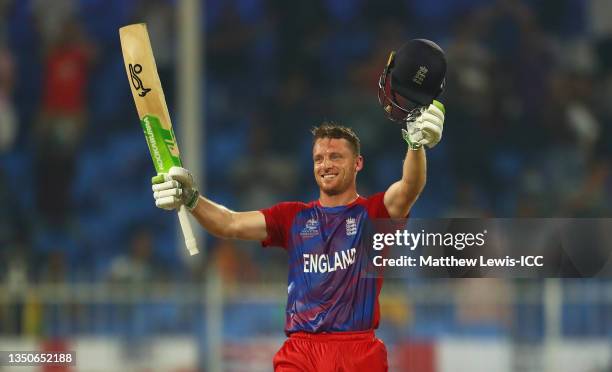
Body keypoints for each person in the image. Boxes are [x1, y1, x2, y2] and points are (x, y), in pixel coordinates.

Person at [151, 39, 447, 371]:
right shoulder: (292, 217)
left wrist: (415, 143)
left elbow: (410, 187)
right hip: (301, 351)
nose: (326, 164)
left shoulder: (373, 214)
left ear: (358, 164)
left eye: (336, 156)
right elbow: (229, 223)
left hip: (358, 349)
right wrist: (191, 199)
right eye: (319, 157)